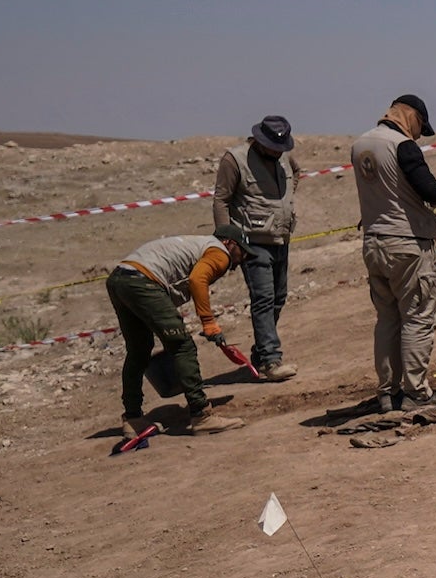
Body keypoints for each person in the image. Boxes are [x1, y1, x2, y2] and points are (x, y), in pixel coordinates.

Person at [350, 95, 436, 410]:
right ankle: (416, 393)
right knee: (417, 317)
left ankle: (388, 393)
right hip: (407, 244)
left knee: (387, 320)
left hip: (374, 243)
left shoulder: (360, 145)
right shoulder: (402, 145)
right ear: (411, 117)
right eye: (419, 126)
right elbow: (429, 191)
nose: (417, 134)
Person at [105, 232, 245, 433]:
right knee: (182, 346)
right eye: (243, 253)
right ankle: (201, 415)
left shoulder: (197, 244)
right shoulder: (220, 253)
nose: (240, 262)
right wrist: (209, 323)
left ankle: (133, 418)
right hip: (142, 281)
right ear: (229, 242)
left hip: (119, 279)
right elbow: (198, 280)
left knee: (138, 350)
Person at [211, 115, 298, 379]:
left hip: (281, 238)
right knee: (263, 299)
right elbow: (221, 200)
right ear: (259, 140)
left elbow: (297, 174)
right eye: (272, 147)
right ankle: (271, 361)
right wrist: (227, 241)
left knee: (279, 298)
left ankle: (261, 354)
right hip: (251, 242)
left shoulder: (284, 157)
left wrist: (286, 207)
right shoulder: (235, 159)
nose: (276, 152)